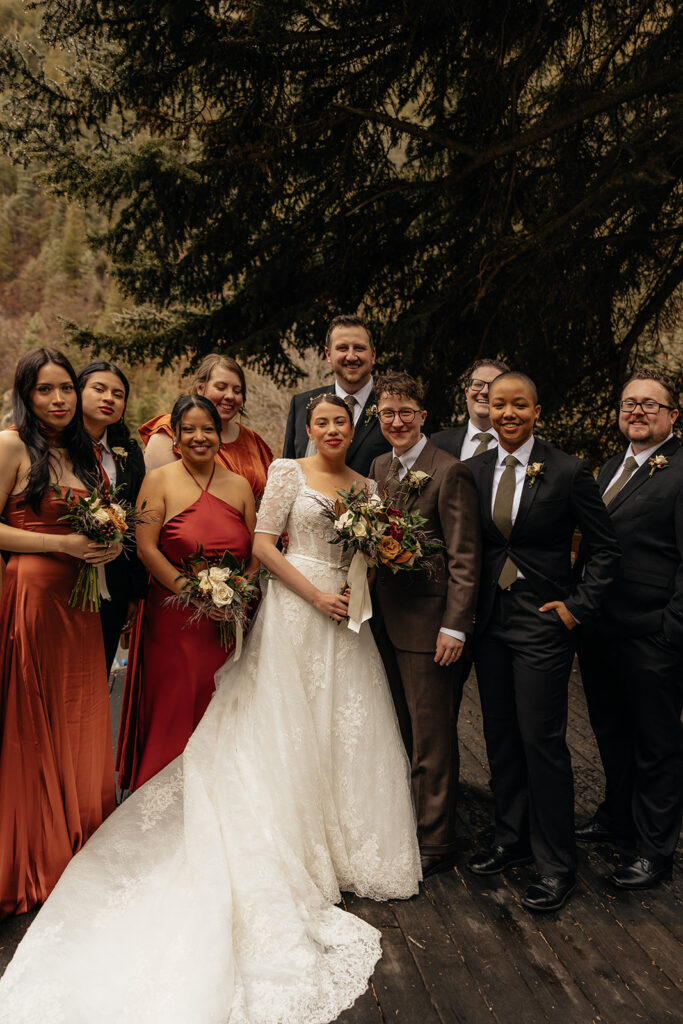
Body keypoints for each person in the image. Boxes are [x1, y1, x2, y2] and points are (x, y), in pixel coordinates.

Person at [0, 394, 420, 1023]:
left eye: (341, 422)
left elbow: (309, 551)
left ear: (352, 429)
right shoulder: (277, 472)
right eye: (322, 421)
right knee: (275, 724)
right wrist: (275, 592)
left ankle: (344, 841)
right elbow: (264, 543)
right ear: (308, 428)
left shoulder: (364, 484)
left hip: (337, 618)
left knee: (344, 727)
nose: (333, 428)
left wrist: (362, 576)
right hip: (274, 610)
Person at [465, 371, 620, 911]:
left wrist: (577, 609)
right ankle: (510, 839)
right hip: (490, 623)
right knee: (500, 734)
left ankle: (556, 863)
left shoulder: (568, 470)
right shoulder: (474, 470)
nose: (507, 414)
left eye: (519, 405)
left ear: (536, 410)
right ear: (486, 407)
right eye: (498, 404)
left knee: (542, 740)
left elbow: (605, 549)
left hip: (543, 623)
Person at [0, 348, 118, 919]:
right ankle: (37, 848)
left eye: (66, 389)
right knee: (38, 719)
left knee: (79, 715)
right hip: (35, 598)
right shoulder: (10, 444)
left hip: (81, 601)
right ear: (27, 395)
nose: (59, 400)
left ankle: (77, 837)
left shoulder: (79, 452)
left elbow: (99, 524)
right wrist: (62, 544)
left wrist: (109, 543)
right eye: (45, 390)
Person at [369, 371, 481, 879]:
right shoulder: (377, 466)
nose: (396, 421)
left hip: (429, 625)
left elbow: (464, 557)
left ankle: (436, 840)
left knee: (431, 736)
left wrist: (454, 626)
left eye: (405, 413)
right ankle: (405, 822)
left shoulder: (448, 470)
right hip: (383, 621)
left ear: (423, 417)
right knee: (400, 729)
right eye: (388, 413)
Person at [116, 394, 256, 791]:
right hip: (173, 619)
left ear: (220, 435)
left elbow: (256, 552)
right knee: (174, 711)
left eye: (208, 429)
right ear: (175, 436)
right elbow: (146, 548)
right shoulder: (158, 480)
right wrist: (193, 595)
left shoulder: (241, 485)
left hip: (228, 624)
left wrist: (239, 589)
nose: (200, 437)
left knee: (220, 709)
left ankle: (215, 802)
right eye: (189, 429)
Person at [576, 369, 683, 889]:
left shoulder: (681, 470)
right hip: (602, 631)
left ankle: (653, 848)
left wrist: (671, 630)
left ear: (672, 416)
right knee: (612, 732)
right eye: (628, 403)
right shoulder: (613, 466)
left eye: (649, 404)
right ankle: (617, 815)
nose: (636, 411)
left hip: (651, 634)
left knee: (657, 743)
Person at [78, 360, 147, 672]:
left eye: (118, 394)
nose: (109, 398)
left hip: (114, 582)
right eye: (99, 389)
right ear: (76, 392)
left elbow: (134, 522)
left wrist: (133, 593)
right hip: (65, 574)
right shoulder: (52, 447)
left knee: (98, 672)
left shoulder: (129, 453)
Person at [140, 354, 273, 499]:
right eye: (221, 387)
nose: (230, 396)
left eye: (237, 391)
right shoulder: (170, 430)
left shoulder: (253, 440)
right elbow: (157, 497)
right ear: (200, 388)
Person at [283, 313, 391, 474]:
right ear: (328, 354)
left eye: (359, 348)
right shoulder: (301, 404)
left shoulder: (393, 404)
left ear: (373, 355)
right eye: (342, 348)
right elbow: (288, 472)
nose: (351, 356)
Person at [431, 357, 509, 459]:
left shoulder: (521, 445)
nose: (484, 391)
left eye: (494, 386)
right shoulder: (437, 443)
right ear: (467, 393)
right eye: (478, 384)